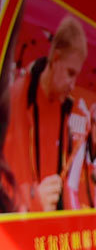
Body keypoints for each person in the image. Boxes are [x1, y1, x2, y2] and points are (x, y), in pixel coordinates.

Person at [3, 15, 88, 212]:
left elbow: (62, 177)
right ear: (55, 59)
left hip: (46, 225)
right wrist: (34, 199)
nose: (73, 85)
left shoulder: (63, 108)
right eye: (70, 73)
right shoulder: (18, 98)